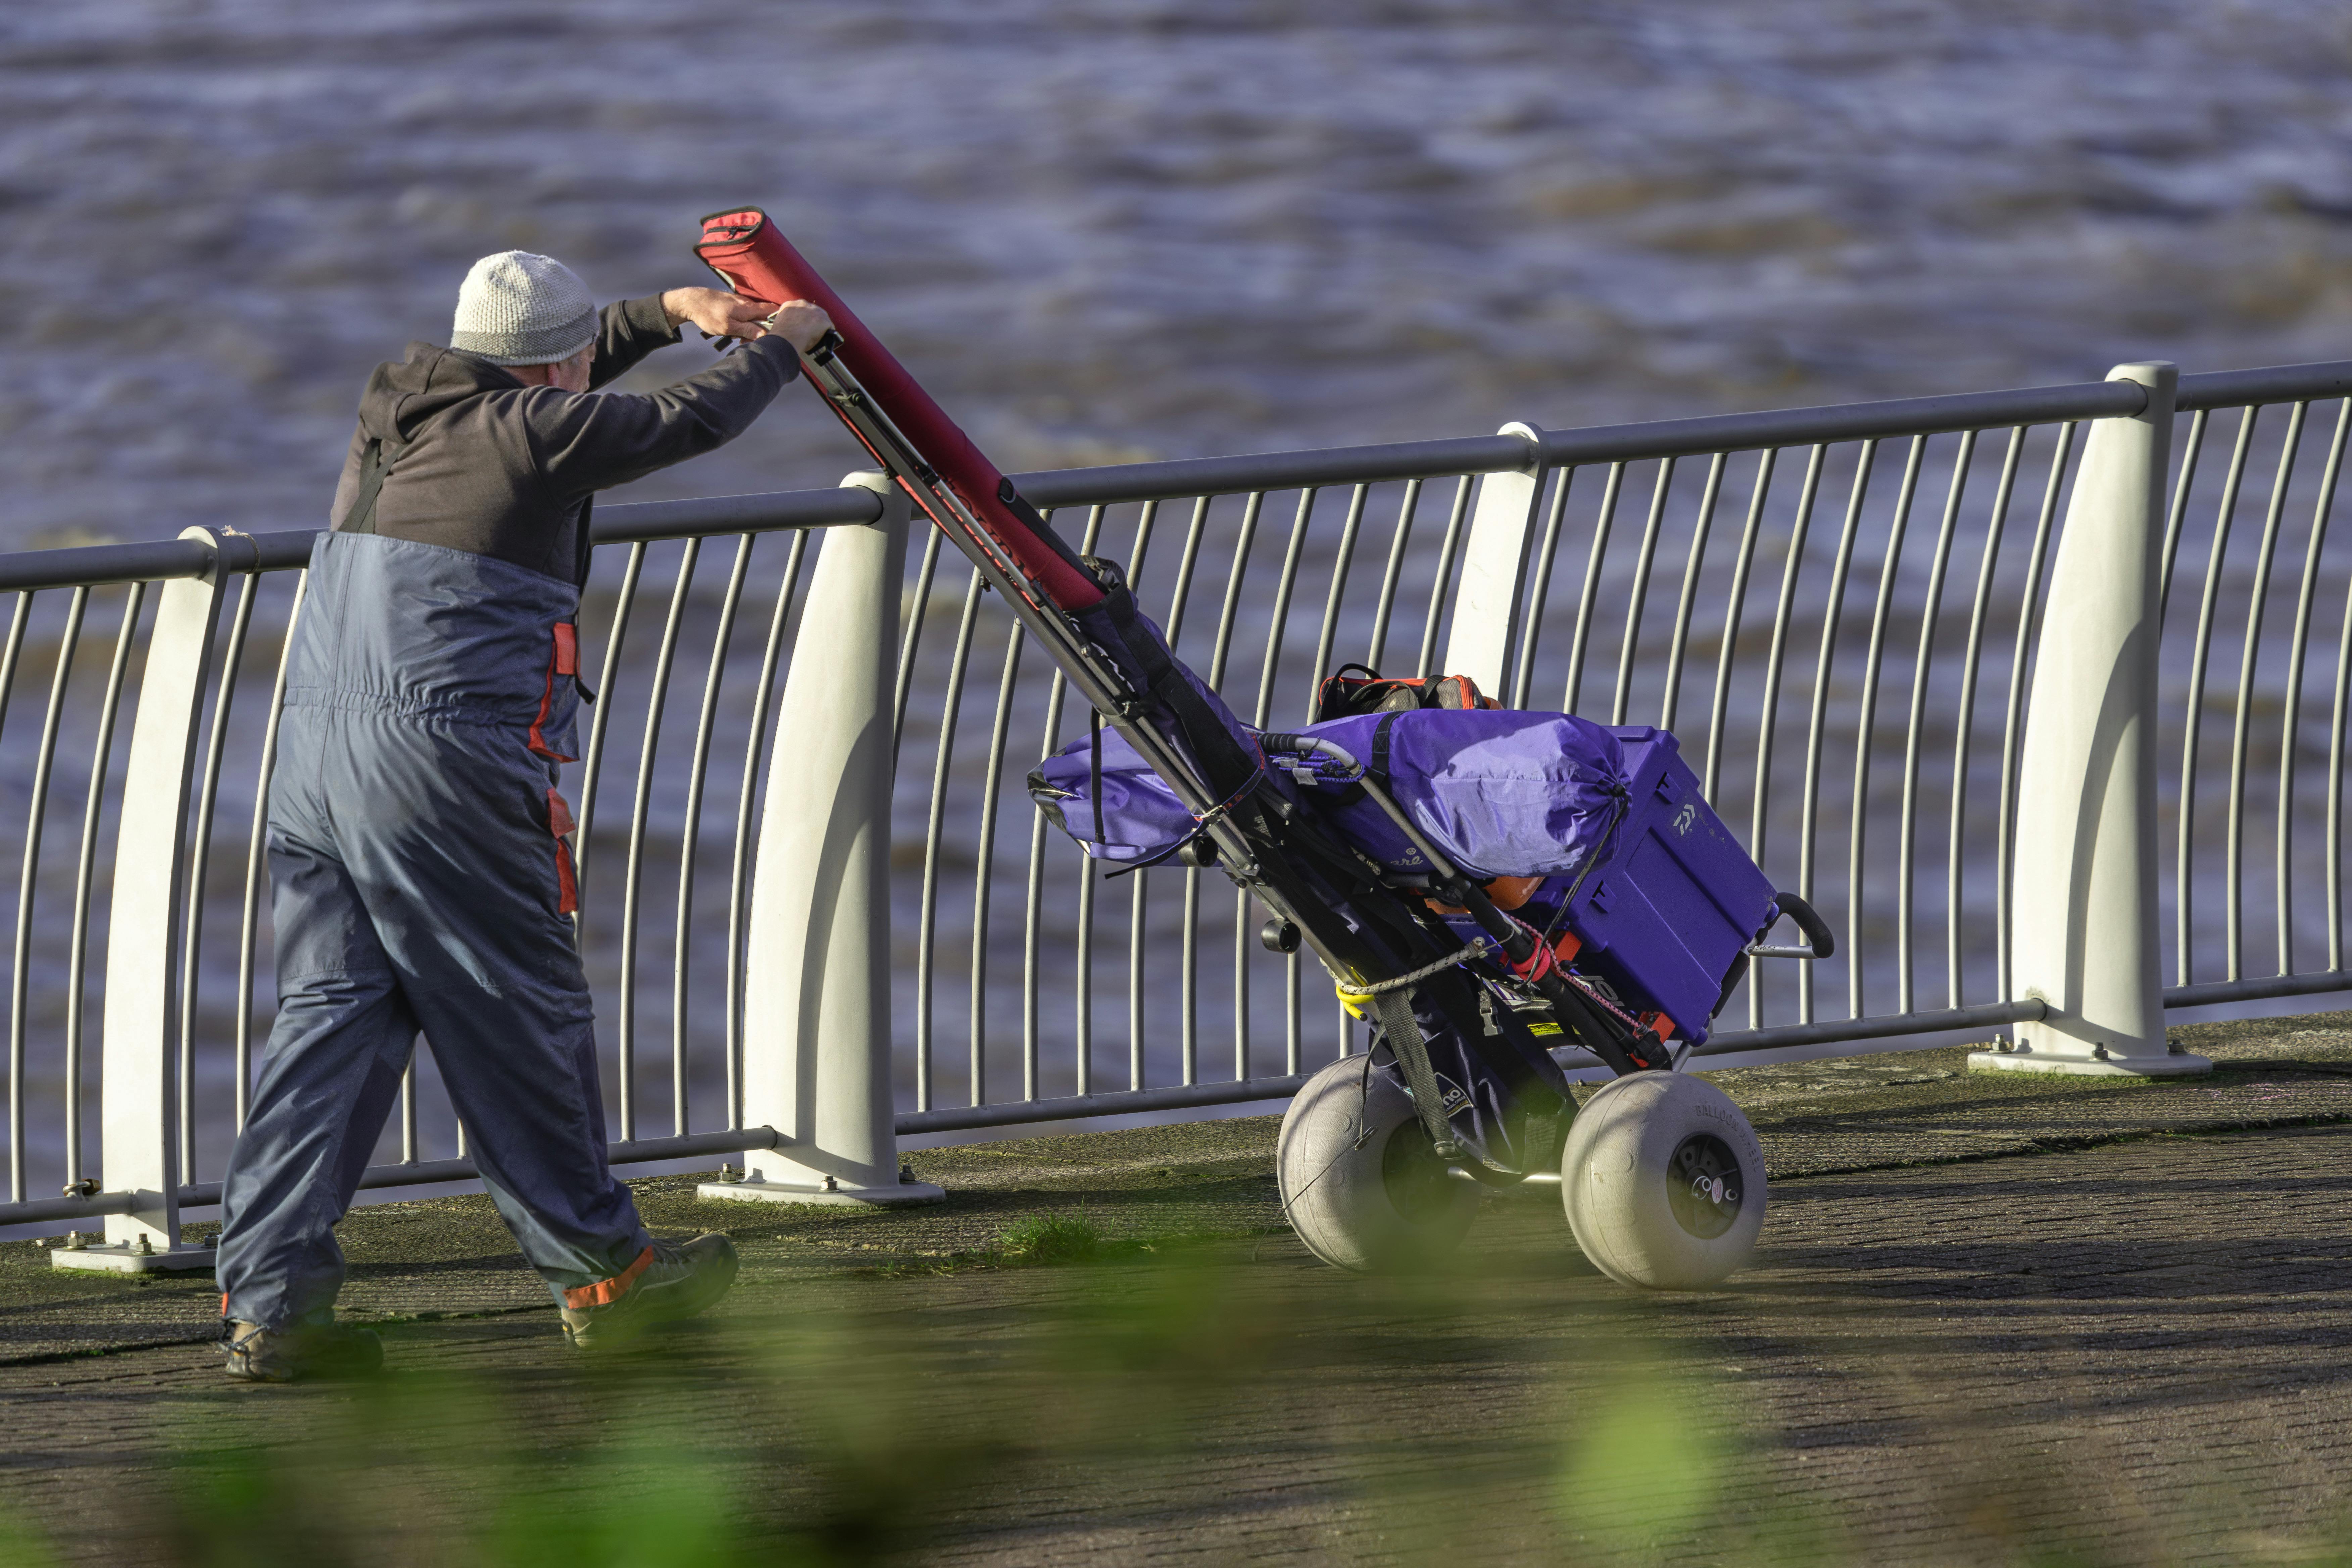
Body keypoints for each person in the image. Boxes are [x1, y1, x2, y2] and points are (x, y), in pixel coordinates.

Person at [212, 248, 832, 1382]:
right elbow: (686, 421)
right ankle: (608, 1276)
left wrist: (659, 311)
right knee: (520, 1009)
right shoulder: (542, 433)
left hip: (312, 756)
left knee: (332, 1022)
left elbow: (576, 365)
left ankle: (273, 1303)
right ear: (557, 369)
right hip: (445, 765)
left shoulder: (398, 401)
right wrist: (781, 347)